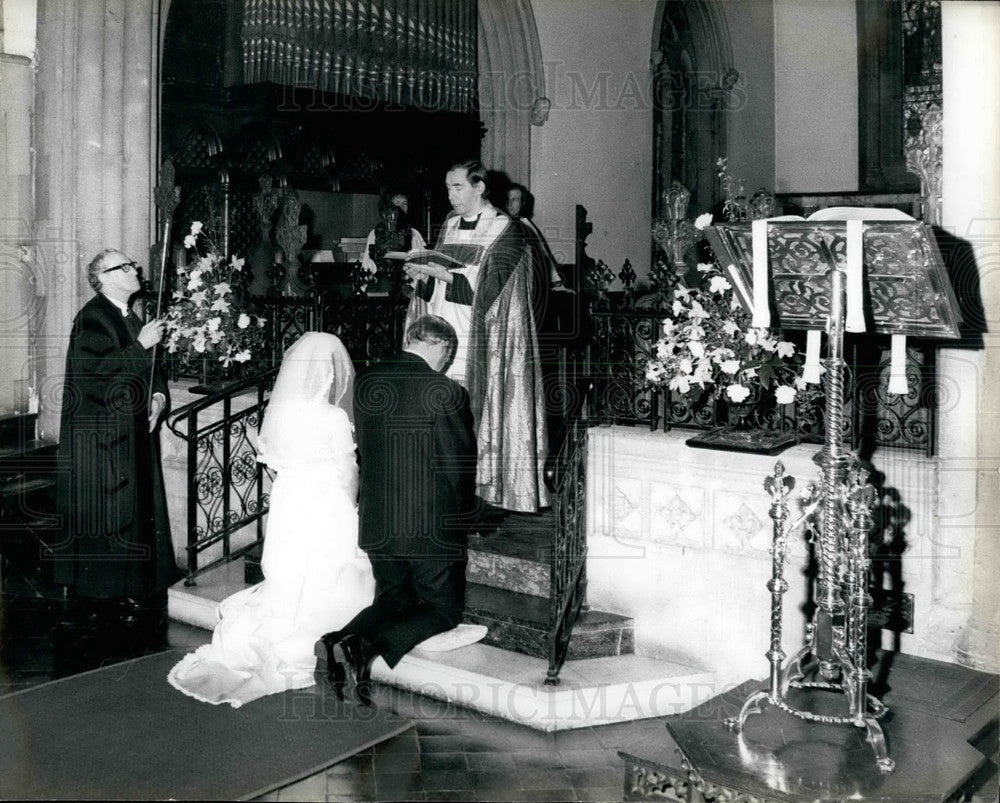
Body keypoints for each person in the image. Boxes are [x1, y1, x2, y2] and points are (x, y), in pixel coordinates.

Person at [167, 332, 374, 707]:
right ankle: (320, 637)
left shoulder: (279, 413)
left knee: (292, 567)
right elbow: (347, 471)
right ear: (326, 376)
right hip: (324, 499)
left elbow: (275, 466)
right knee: (327, 566)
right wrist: (351, 505)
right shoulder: (333, 416)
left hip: (290, 499)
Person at [317, 315, 477, 706]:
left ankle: (336, 640)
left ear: (410, 339)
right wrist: (464, 517)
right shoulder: (445, 391)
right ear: (440, 348)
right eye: (447, 356)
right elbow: (458, 466)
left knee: (392, 598)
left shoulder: (368, 380)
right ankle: (359, 646)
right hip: (427, 524)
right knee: (442, 610)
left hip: (378, 517)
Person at [404, 160, 549, 513]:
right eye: (448, 188)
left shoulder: (505, 230)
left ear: (479, 187)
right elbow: (437, 277)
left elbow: (497, 291)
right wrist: (421, 275)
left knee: (469, 412)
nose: (450, 195)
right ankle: (441, 490)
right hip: (442, 328)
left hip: (482, 338)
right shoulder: (450, 225)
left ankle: (477, 497)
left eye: (457, 187)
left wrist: (448, 277)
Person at [52, 249, 174, 639]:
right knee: (111, 517)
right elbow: (95, 376)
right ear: (102, 277)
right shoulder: (91, 318)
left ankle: (134, 590)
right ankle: (105, 597)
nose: (134, 269)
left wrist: (158, 398)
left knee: (135, 513)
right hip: (102, 439)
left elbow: (152, 370)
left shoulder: (130, 316)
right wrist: (140, 345)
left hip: (132, 430)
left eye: (132, 264)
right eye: (124, 266)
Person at [360, 191, 427, 282]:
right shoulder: (375, 233)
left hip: (410, 281)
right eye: (397, 203)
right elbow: (368, 264)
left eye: (404, 204)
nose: (401, 207)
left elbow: (423, 262)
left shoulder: (414, 233)